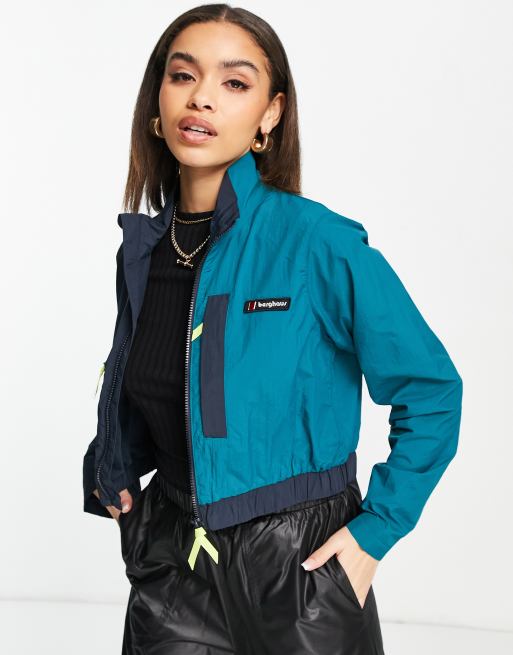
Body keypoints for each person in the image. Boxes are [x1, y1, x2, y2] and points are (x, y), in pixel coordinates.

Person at [82, 4, 463, 654]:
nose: (202, 97)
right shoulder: (144, 250)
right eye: (183, 75)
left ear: (270, 114)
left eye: (234, 82)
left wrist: (375, 532)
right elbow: (154, 378)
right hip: (172, 561)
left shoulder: (317, 243)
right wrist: (111, 463)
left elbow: (430, 389)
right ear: (157, 101)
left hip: (299, 568)